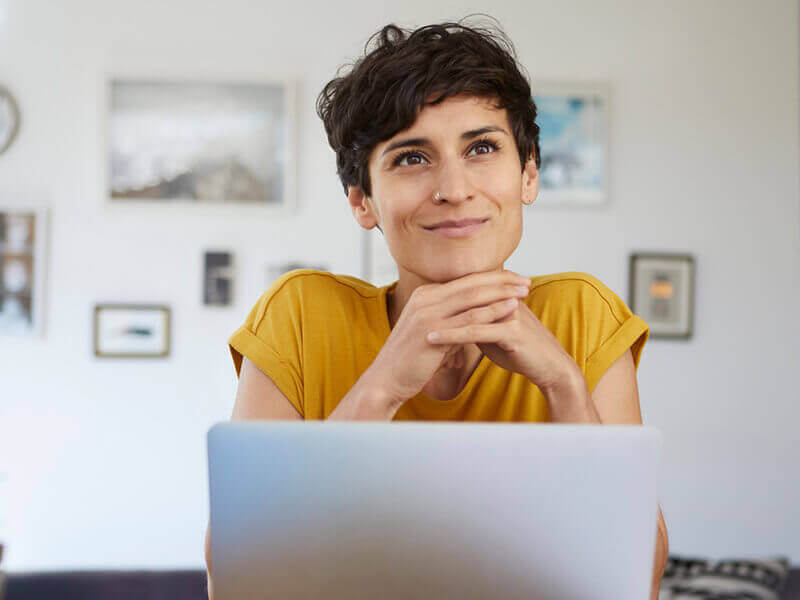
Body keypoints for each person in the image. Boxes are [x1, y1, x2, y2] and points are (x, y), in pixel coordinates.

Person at [204, 17, 668, 600]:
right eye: (411, 158)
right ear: (362, 200)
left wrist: (563, 383)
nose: (454, 188)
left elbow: (638, 583)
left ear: (528, 174)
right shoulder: (298, 315)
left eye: (481, 148)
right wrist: (382, 387)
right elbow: (240, 581)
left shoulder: (583, 314)